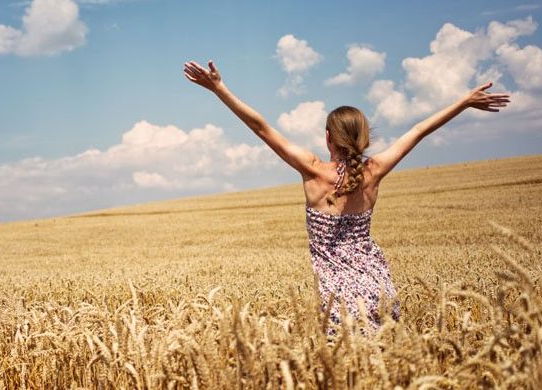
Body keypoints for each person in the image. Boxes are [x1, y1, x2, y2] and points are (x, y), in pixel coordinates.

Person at [182, 59, 510, 335]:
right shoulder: (375, 170)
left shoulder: (314, 172)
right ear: (364, 139)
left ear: (328, 138)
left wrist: (219, 89)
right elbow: (418, 131)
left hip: (336, 298)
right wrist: (464, 102)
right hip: (378, 289)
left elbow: (262, 128)